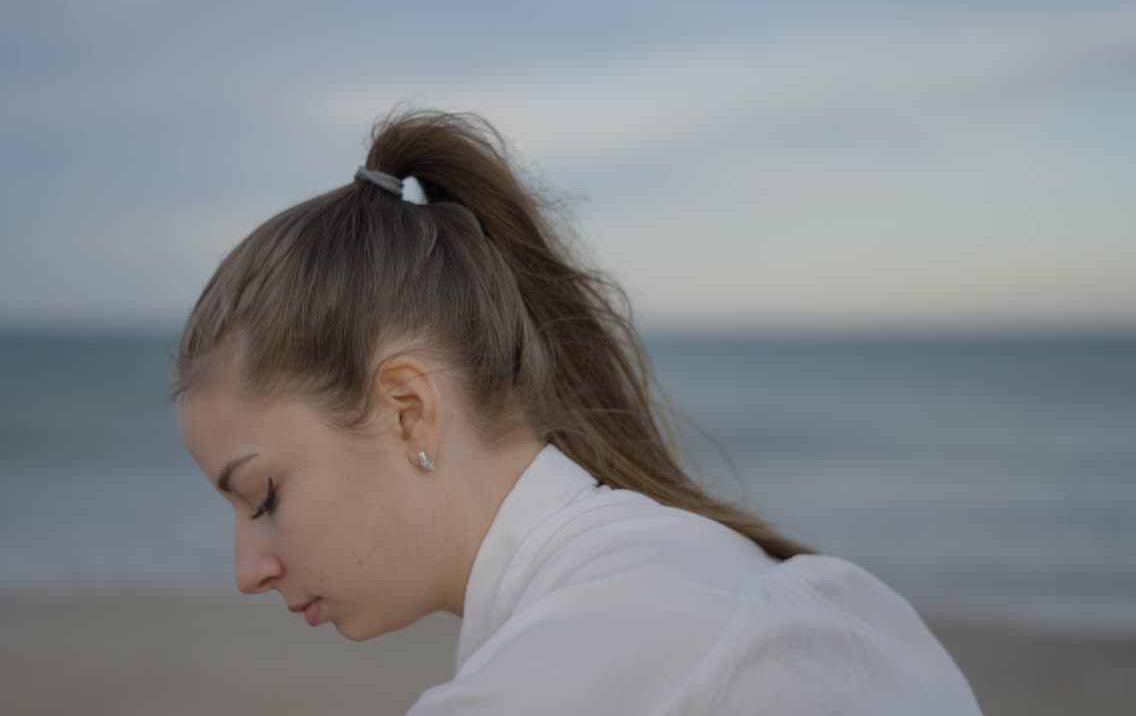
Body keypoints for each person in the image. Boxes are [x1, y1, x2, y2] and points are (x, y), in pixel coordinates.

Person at [172, 109, 984, 714]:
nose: (251, 569)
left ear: (408, 410)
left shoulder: (563, 673)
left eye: (263, 497)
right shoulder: (696, 579)